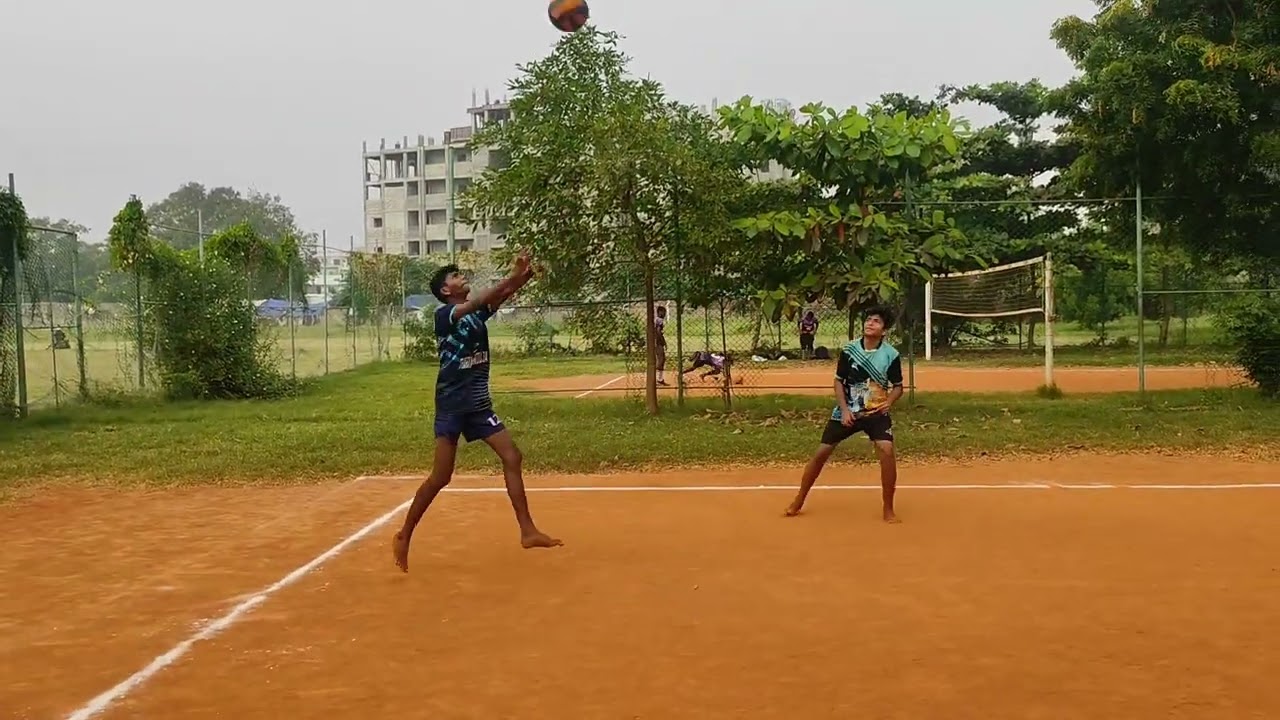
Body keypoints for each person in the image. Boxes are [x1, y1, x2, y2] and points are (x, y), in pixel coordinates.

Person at [392, 252, 562, 573]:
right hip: (453, 405)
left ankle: (528, 531)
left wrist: (523, 278)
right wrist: (512, 275)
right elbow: (483, 298)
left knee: (512, 457)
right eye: (456, 276)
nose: (462, 277)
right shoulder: (446, 315)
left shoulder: (474, 316)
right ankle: (404, 535)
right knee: (441, 477)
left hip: (478, 404)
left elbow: (496, 297)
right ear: (446, 290)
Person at [785, 305, 904, 523]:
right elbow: (838, 381)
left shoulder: (891, 355)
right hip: (848, 411)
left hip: (875, 412)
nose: (870, 323)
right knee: (821, 452)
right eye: (868, 319)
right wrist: (845, 410)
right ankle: (799, 499)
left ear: (884, 330)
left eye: (876, 321)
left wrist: (888, 403)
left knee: (887, 451)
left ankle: (888, 508)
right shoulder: (849, 350)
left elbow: (898, 387)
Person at [654, 305, 668, 386]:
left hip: (656, 341)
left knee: (661, 359)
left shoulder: (657, 319)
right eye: (663, 312)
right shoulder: (659, 320)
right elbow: (658, 332)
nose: (664, 313)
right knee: (661, 360)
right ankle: (658, 379)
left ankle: (660, 379)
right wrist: (662, 342)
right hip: (657, 342)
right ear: (659, 312)